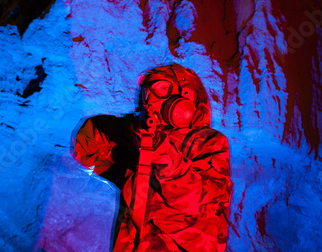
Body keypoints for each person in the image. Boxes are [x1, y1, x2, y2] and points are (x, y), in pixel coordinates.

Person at [72, 63, 232, 251]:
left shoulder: (209, 142)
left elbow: (194, 200)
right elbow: (86, 147)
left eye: (163, 90)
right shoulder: (140, 144)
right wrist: (129, 129)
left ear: (187, 95)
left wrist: (161, 151)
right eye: (148, 94)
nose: (152, 100)